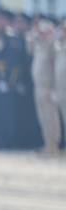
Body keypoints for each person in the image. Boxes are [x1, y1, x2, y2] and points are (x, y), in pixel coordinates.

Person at [29, 17, 64, 154]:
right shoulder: (40, 46)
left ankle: (54, 146)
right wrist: (34, 33)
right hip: (39, 87)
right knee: (43, 118)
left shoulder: (53, 47)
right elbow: (30, 45)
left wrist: (54, 88)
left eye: (45, 32)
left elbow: (55, 69)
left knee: (52, 118)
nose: (42, 35)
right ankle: (48, 144)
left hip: (50, 87)